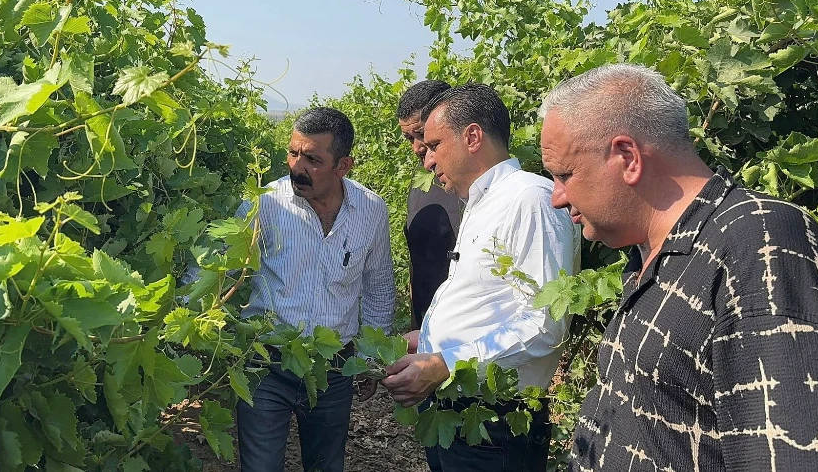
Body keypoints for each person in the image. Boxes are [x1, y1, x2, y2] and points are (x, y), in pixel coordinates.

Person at [538, 63, 818, 472]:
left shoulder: (761, 241)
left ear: (628, 158)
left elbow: (795, 453)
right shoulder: (656, 253)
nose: (556, 197)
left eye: (564, 175)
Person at [382, 84, 579, 472]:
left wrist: (445, 363)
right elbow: (491, 303)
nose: (427, 160)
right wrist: (428, 338)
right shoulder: (484, 202)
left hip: (496, 423)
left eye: (434, 145)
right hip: (464, 411)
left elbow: (544, 325)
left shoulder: (529, 200)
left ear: (472, 137)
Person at [236, 107, 395, 472]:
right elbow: (218, 267)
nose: (297, 167)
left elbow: (378, 286)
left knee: (325, 465)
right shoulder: (264, 203)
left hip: (333, 369)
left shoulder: (370, 210)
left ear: (343, 166)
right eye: (293, 153)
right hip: (266, 363)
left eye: (312, 159)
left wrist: (371, 358)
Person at [397, 80, 463, 330]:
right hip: (426, 334)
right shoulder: (420, 187)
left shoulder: (476, 187)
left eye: (421, 133)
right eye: (409, 138)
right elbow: (418, 263)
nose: (416, 147)